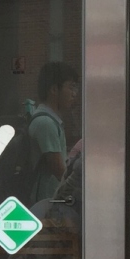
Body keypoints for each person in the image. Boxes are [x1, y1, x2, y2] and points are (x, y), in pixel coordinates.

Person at [28, 61, 79, 207]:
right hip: (46, 203)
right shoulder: (46, 123)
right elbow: (60, 172)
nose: (74, 94)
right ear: (54, 89)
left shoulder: (51, 121)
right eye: (71, 87)